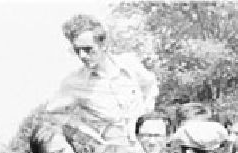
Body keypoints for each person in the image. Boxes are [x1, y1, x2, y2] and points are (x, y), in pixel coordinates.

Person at [47, 14, 158, 145]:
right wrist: (87, 132)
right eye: (77, 50)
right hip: (114, 152)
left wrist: (147, 116)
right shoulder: (74, 83)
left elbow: (151, 86)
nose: (82, 55)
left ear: (103, 45)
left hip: (146, 145)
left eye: (88, 49)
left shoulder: (129, 63)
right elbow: (53, 111)